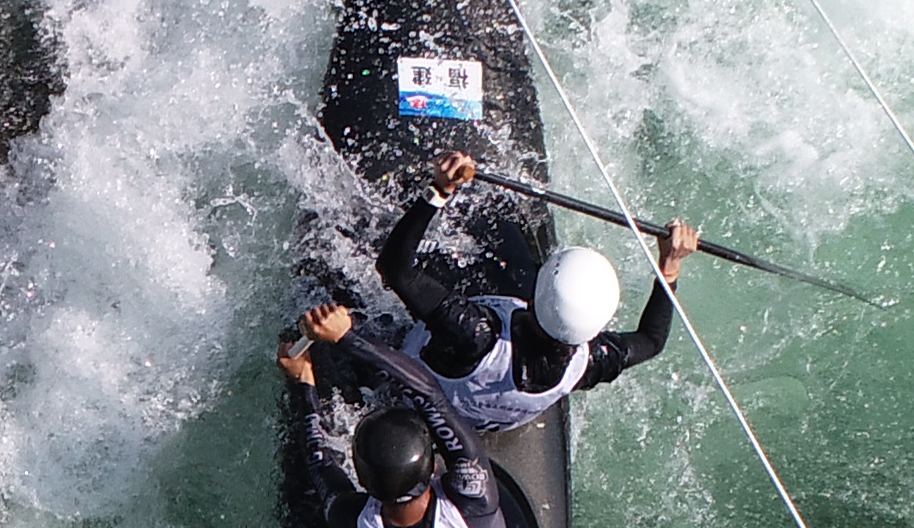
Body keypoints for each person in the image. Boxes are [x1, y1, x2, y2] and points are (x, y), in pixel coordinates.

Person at [294, 147, 704, 441]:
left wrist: (438, 191)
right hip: (476, 418)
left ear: (539, 294)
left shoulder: (474, 331)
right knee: (508, 250)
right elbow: (652, 340)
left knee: (377, 260)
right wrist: (669, 267)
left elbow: (394, 269)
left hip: (412, 383)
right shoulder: (586, 363)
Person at [275, 318, 524, 528]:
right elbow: (429, 393)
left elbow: (319, 460)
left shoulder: (350, 519)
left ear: (360, 480)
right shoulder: (475, 500)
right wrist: (347, 336)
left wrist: (304, 381)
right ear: (433, 466)